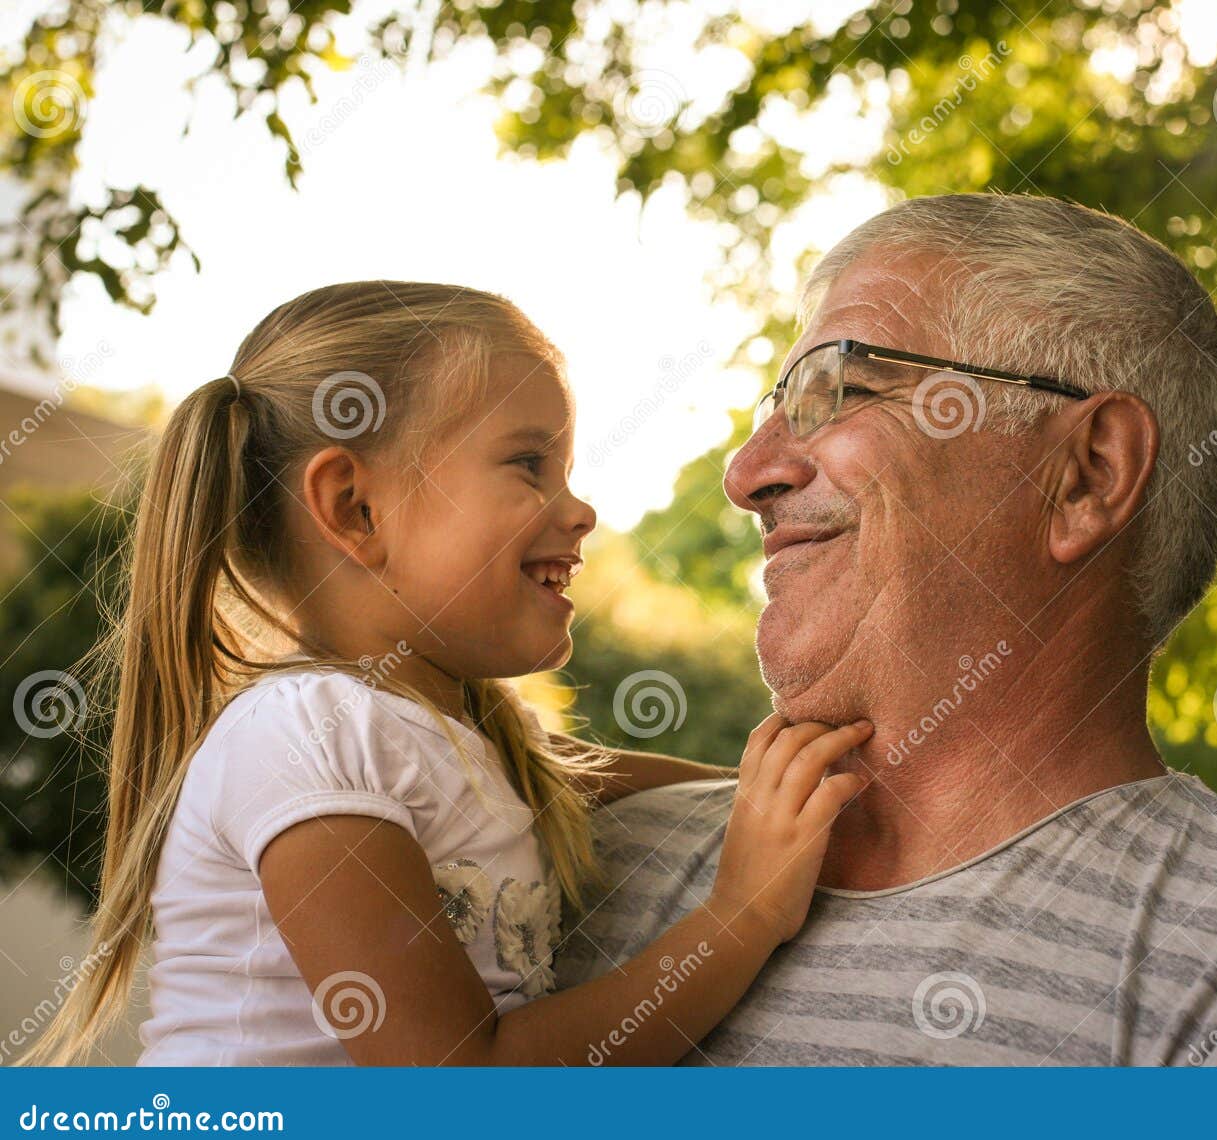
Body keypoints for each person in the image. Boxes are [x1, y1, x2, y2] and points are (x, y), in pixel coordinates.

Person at [555, 194, 1217, 1066]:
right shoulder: (566, 862)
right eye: (778, 405)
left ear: (1087, 475)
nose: (748, 471)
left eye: (842, 389)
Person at [26, 281, 870, 1066]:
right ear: (356, 509)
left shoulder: (460, 734)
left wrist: (769, 788)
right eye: (529, 463)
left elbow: (588, 777)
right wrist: (744, 913)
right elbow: (458, 1088)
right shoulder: (306, 733)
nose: (581, 510)